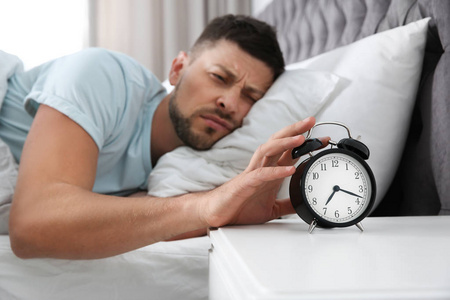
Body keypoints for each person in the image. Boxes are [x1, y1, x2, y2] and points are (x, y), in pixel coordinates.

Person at [0, 14, 324, 259]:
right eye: (219, 77)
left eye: (252, 97)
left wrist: (231, 213)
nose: (231, 104)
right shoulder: (104, 75)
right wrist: (204, 207)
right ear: (178, 69)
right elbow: (33, 225)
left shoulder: (176, 171)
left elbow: (130, 219)